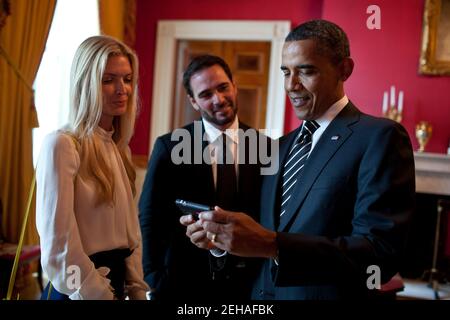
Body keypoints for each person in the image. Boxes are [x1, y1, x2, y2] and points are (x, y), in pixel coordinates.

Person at [186, 19, 416, 300]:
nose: (291, 85)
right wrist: (222, 240)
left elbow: (379, 253)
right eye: (286, 72)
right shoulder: (280, 147)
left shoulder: (380, 137)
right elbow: (260, 236)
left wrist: (274, 245)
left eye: (305, 71)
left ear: (344, 69)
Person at [139, 54, 270, 301]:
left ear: (234, 85)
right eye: (206, 94)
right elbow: (150, 217)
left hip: (250, 286)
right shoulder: (170, 146)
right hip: (183, 284)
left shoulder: (266, 147)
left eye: (223, 88)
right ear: (193, 101)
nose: (218, 99)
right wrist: (153, 279)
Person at [36, 35, 149, 300]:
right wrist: (96, 293)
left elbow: (131, 235)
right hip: (79, 291)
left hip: (116, 287)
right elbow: (59, 244)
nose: (122, 89)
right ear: (85, 83)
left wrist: (136, 288)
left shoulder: (120, 148)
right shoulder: (61, 144)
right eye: (108, 80)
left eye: (127, 79)